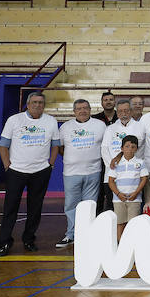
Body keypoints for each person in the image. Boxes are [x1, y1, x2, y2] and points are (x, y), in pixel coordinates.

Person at [0, 92, 60, 256]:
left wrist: (50, 165)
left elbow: (55, 145)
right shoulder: (14, 120)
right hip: (16, 171)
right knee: (10, 208)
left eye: (40, 102)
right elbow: (3, 145)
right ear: (28, 104)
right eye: (34, 102)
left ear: (44, 105)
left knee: (35, 209)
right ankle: (4, 243)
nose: (37, 105)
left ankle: (29, 240)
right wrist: (7, 167)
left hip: (40, 172)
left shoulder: (51, 121)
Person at [56, 98, 107, 248]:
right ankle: (71, 234)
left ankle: (87, 234)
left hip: (93, 171)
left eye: (85, 108)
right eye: (79, 108)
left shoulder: (100, 125)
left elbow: (105, 146)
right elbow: (60, 148)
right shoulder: (66, 127)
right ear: (74, 111)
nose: (82, 111)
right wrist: (74, 159)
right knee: (71, 205)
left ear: (90, 110)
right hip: (71, 173)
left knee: (90, 205)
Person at [100, 98, 146, 214]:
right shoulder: (110, 129)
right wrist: (112, 166)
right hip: (112, 174)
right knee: (112, 208)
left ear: (131, 111)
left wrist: (123, 162)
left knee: (133, 209)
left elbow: (138, 148)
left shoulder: (140, 127)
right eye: (120, 111)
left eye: (126, 110)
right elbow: (104, 148)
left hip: (132, 175)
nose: (123, 114)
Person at [107, 136, 148, 239]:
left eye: (133, 147)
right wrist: (119, 194)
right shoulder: (116, 163)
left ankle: (131, 245)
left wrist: (136, 193)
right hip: (118, 199)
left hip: (134, 199)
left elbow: (144, 179)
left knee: (132, 224)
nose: (130, 149)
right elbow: (111, 181)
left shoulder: (140, 163)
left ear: (136, 149)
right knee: (120, 223)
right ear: (122, 148)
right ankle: (120, 245)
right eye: (127, 146)